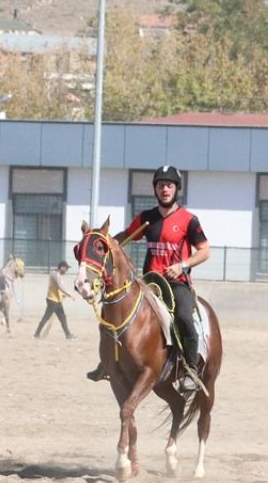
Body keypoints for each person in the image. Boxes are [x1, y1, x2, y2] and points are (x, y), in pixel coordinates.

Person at [87, 165, 210, 393]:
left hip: (176, 283)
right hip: (148, 282)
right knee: (111, 311)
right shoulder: (146, 218)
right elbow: (124, 237)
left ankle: (191, 369)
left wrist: (182, 265)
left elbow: (205, 251)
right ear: (155, 189)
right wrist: (102, 244)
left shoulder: (189, 220)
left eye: (169, 185)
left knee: (183, 316)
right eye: (160, 185)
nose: (165, 189)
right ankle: (107, 362)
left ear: (176, 189)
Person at [34, 261, 76, 340]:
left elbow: (57, 288)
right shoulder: (55, 274)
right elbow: (60, 286)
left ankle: (68, 335)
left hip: (57, 300)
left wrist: (62, 295)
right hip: (52, 300)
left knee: (62, 318)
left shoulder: (57, 274)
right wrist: (70, 295)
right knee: (46, 317)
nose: (66, 271)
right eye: (66, 269)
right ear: (62, 267)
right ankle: (36, 333)